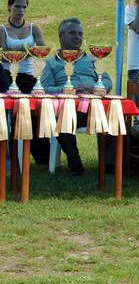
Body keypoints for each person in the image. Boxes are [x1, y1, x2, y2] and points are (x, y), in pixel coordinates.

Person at [39, 18, 112, 175]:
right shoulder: (51, 63)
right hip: (67, 109)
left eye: (80, 34)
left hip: (95, 108)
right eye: (72, 33)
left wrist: (96, 88)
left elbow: (107, 81)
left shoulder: (93, 59)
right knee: (61, 121)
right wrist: (67, 90)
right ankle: (76, 166)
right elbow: (44, 88)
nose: (77, 37)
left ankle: (111, 165)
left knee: (116, 117)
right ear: (61, 36)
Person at [0, 0, 45, 93]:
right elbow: (3, 57)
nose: (21, 10)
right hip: (7, 75)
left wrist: (15, 53)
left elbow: (42, 52)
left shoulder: (34, 28)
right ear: (9, 7)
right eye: (17, 7)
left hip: (29, 74)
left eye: (24, 7)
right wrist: (28, 52)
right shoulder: (2, 30)